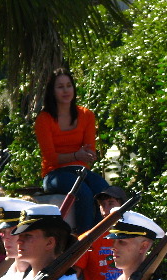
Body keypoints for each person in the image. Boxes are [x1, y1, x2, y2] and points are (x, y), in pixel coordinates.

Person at [34, 67, 108, 233]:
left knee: (105, 192)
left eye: (69, 85)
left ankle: (101, 238)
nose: (66, 90)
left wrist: (86, 155)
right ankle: (83, 241)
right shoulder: (44, 119)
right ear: (52, 91)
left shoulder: (86, 115)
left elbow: (89, 152)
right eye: (60, 87)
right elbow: (51, 158)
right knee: (83, 193)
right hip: (54, 173)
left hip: (80, 170)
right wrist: (76, 155)